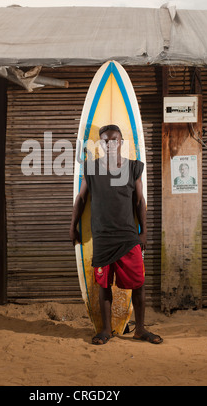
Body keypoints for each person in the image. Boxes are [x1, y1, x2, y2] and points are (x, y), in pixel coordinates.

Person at [69, 124, 163, 345]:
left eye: (114, 140)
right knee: (103, 286)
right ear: (100, 144)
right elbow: (81, 199)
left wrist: (144, 232)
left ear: (121, 142)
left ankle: (140, 329)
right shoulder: (91, 168)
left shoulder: (133, 168)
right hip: (102, 237)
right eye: (105, 140)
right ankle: (106, 330)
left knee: (139, 283)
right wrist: (72, 226)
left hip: (128, 237)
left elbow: (140, 202)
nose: (110, 144)